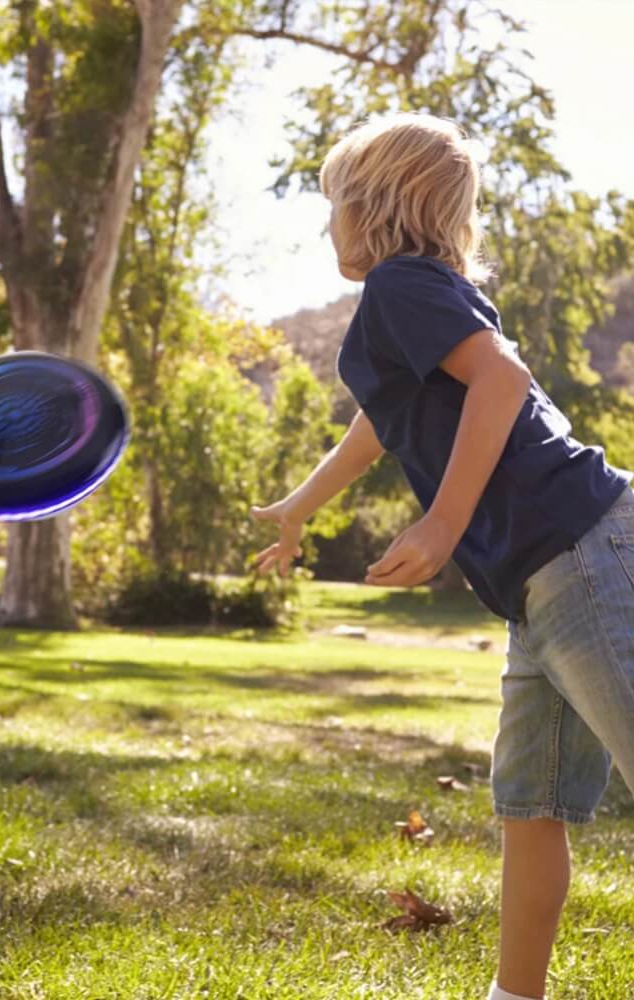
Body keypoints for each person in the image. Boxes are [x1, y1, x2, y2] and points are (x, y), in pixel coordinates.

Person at [250, 113, 633, 1000]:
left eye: (334, 206)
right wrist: (301, 506)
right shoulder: (414, 301)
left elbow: (503, 382)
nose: (327, 229)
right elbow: (379, 427)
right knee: (529, 806)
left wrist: (443, 524)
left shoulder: (401, 286)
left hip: (581, 551)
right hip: (540, 584)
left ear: (375, 207)